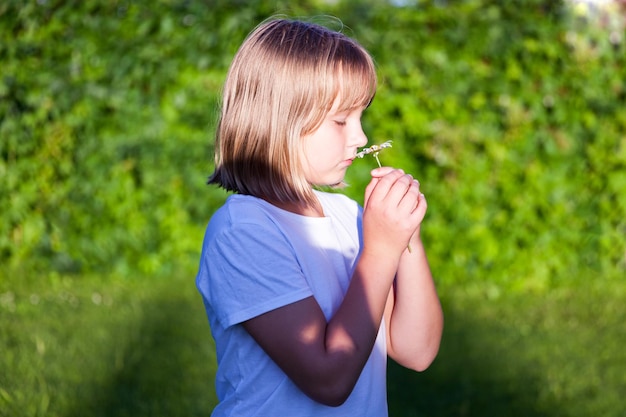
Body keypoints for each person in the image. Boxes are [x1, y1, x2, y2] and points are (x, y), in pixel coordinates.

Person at [196, 17, 444, 417]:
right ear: (281, 122)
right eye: (341, 120)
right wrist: (381, 250)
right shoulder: (243, 231)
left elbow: (417, 350)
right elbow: (328, 379)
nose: (361, 137)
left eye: (361, 117)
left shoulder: (349, 216)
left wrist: (404, 237)